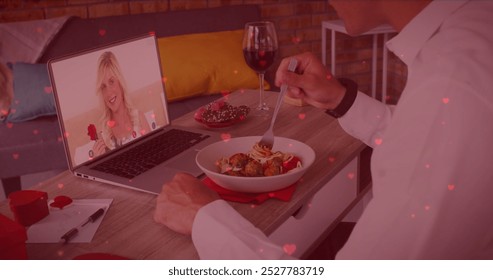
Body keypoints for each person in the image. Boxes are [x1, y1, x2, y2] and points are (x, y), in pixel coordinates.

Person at [154, 0, 493, 259]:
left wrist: (206, 219)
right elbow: (429, 145)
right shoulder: (472, 36)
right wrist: (341, 99)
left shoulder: (453, 82)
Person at [91, 51, 151, 156]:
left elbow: (154, 153)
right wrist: (97, 160)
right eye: (103, 86)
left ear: (120, 82)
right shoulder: (104, 135)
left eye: (111, 81)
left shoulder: (139, 118)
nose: (108, 92)